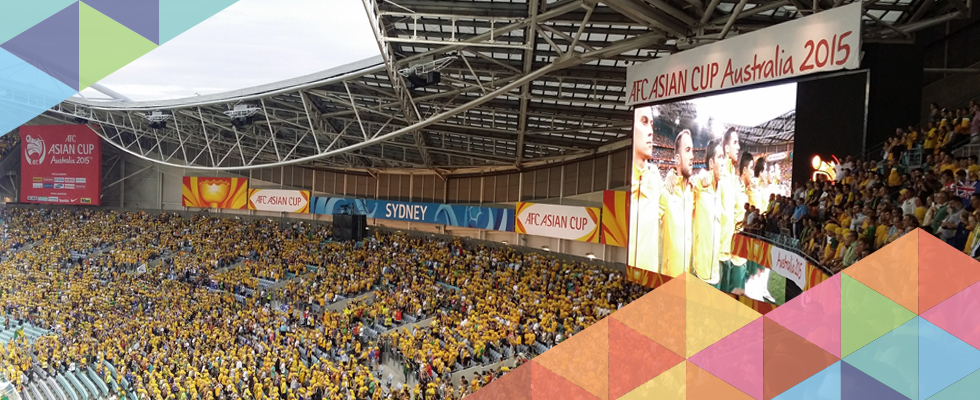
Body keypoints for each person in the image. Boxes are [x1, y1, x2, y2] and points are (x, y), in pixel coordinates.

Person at [628, 107, 663, 272]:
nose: (651, 132)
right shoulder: (623, 183)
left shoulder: (655, 176)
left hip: (652, 280)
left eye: (652, 125)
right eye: (644, 122)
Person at [660, 130, 695, 278]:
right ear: (677, 159)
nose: (693, 156)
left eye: (692, 150)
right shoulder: (666, 192)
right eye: (688, 150)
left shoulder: (693, 191)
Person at [692, 138, 725, 288]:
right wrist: (674, 176)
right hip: (702, 274)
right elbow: (686, 189)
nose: (723, 162)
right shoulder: (700, 184)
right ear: (711, 163)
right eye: (720, 157)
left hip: (716, 272)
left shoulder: (720, 190)